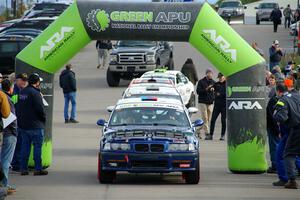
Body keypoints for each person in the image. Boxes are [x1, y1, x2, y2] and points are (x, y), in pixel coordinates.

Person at [18, 73, 48, 176]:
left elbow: (20, 108)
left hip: (24, 125)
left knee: (25, 148)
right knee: (37, 147)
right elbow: (40, 109)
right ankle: (38, 169)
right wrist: (44, 119)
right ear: (37, 82)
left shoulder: (23, 92)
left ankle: (23, 169)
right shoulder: (35, 93)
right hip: (35, 125)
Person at [273, 83, 300, 189]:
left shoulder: (282, 100)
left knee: (288, 155)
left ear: (278, 92)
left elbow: (281, 117)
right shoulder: (296, 96)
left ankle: (292, 180)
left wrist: (275, 114)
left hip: (296, 129)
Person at [1, 79, 17, 194]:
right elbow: (8, 114)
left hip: (4, 132)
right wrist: (15, 132)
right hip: (7, 132)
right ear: (11, 88)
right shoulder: (4, 97)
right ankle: (4, 184)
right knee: (6, 160)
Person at [11, 73, 28, 172]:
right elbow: (15, 102)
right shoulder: (15, 90)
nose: (24, 82)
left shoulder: (23, 89)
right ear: (17, 80)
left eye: (25, 80)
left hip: (22, 120)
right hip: (16, 121)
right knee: (18, 143)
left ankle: (18, 163)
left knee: (21, 143)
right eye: (23, 80)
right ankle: (16, 164)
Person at [206, 73, 226, 141]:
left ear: (224, 77)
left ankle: (222, 135)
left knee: (223, 121)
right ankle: (211, 135)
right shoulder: (216, 84)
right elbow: (210, 89)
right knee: (213, 120)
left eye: (221, 77)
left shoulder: (228, 84)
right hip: (217, 105)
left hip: (224, 106)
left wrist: (219, 94)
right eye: (219, 77)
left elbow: (228, 93)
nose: (220, 78)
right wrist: (210, 88)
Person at [196, 69, 215, 138]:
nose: (210, 74)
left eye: (211, 73)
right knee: (205, 118)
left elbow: (216, 92)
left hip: (210, 102)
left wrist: (214, 93)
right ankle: (207, 133)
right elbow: (198, 91)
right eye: (208, 73)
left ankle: (197, 130)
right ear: (206, 74)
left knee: (208, 119)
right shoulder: (201, 82)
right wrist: (206, 89)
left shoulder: (213, 82)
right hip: (202, 102)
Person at [266, 86, 280, 174]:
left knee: (274, 147)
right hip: (282, 128)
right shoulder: (285, 99)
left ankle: (275, 166)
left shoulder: (273, 101)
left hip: (273, 128)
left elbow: (272, 117)